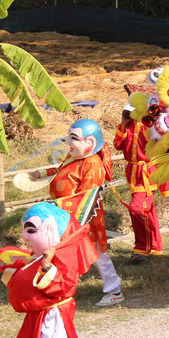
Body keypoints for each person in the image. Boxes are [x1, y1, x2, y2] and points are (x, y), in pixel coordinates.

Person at [0, 202, 101, 338]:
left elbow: (63, 286)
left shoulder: (64, 256)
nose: (25, 236)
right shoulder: (41, 255)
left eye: (31, 230)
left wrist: (46, 266)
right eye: (24, 229)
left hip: (55, 314)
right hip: (37, 314)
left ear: (52, 229)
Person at [48, 120, 123, 307]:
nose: (67, 141)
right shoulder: (74, 157)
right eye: (68, 136)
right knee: (63, 255)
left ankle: (114, 291)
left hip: (85, 218)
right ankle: (59, 290)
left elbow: (86, 197)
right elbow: (60, 171)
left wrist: (57, 205)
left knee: (97, 255)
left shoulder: (92, 164)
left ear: (89, 143)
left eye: (73, 138)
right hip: (65, 216)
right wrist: (40, 175)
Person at [113, 92, 169, 264]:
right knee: (148, 209)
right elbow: (118, 145)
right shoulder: (129, 124)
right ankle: (155, 246)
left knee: (137, 208)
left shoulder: (151, 124)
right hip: (133, 173)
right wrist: (123, 124)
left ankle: (142, 247)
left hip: (147, 173)